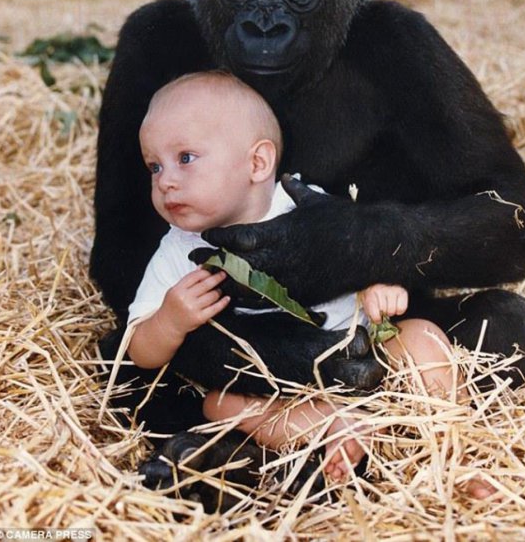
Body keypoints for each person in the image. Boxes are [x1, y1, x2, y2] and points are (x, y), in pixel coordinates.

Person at [126, 70, 495, 499]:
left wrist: (381, 284)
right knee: (219, 405)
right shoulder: (177, 252)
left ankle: (457, 454)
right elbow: (140, 351)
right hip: (280, 391)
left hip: (364, 353)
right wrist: (170, 320)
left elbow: (361, 253)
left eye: (185, 158)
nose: (165, 180)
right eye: (154, 166)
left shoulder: (308, 204)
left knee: (423, 340)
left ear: (257, 163)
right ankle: (335, 428)